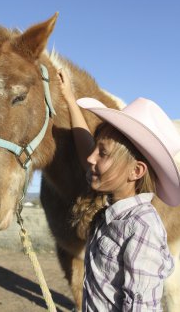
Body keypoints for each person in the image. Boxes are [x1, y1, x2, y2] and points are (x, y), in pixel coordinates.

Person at [57, 68, 180, 311]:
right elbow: (86, 153)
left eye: (102, 152)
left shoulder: (142, 230)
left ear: (135, 172)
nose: (90, 158)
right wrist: (70, 100)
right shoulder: (112, 206)